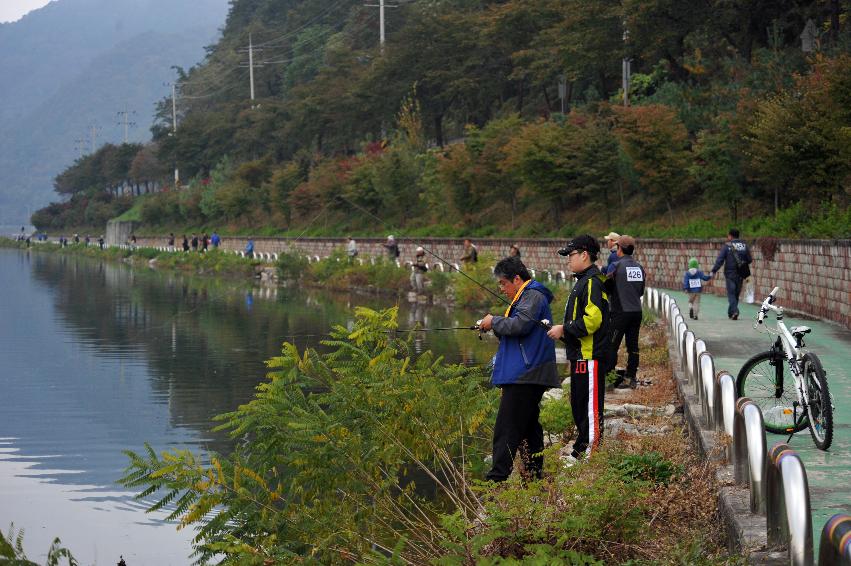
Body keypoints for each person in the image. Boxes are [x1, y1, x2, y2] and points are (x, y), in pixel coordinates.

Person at [478, 256, 559, 482]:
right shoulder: (527, 296)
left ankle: (497, 479)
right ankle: (533, 475)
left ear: (516, 279)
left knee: (507, 427)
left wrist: (493, 321)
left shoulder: (532, 295)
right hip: (527, 372)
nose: (501, 289)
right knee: (528, 426)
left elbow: (519, 325)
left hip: (527, 373)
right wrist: (492, 325)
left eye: (503, 283)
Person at [546, 235, 609, 463]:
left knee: (590, 408)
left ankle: (591, 456)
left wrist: (565, 329)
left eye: (571, 255)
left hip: (590, 358)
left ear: (584, 255)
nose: (568, 261)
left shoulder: (592, 282)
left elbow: (593, 321)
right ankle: (581, 449)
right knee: (580, 404)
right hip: (581, 356)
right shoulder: (583, 281)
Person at [605, 235, 645, 389]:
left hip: (620, 312)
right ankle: (631, 377)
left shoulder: (615, 266)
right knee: (633, 346)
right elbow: (640, 291)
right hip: (636, 311)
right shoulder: (639, 268)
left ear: (619, 248)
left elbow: (607, 289)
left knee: (611, 345)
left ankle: (609, 377)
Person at [711, 228, 752, 320]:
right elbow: (749, 260)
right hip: (741, 274)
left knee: (731, 293)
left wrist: (714, 271)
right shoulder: (744, 245)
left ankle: (735, 311)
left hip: (730, 274)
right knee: (736, 294)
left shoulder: (727, 246)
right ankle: (731, 313)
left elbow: (720, 260)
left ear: (730, 236)